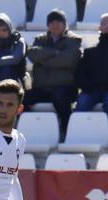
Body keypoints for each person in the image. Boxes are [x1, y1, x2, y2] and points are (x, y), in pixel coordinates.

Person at [24, 9, 81, 138]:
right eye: (52, 22)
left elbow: (68, 60)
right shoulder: (40, 39)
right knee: (21, 99)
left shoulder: (74, 40)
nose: (55, 25)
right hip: (42, 88)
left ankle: (67, 129)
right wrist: (54, 52)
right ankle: (25, 129)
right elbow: (32, 54)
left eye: (58, 21)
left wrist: (43, 60)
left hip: (65, 87)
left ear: (64, 24)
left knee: (60, 97)